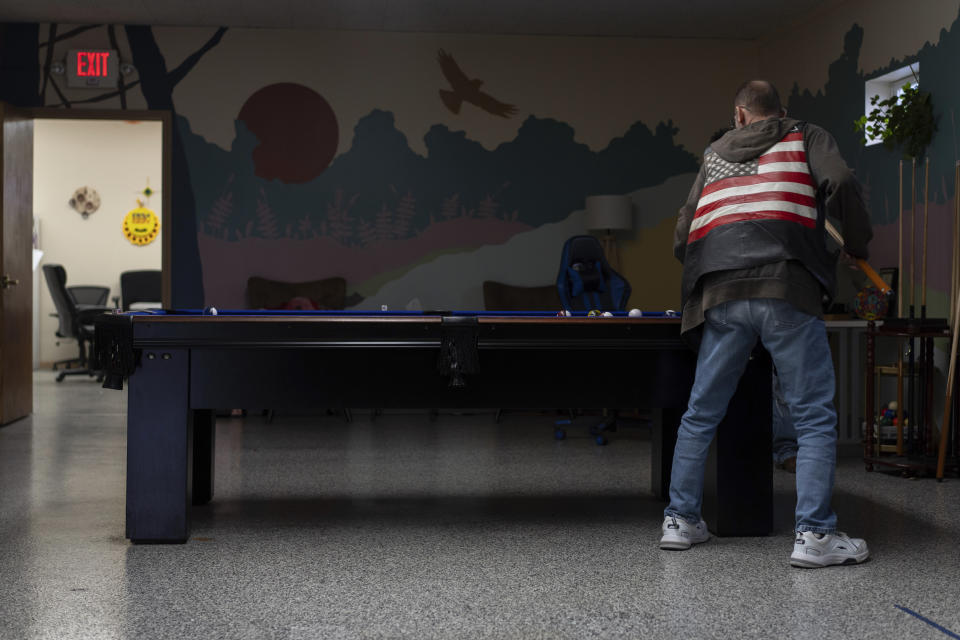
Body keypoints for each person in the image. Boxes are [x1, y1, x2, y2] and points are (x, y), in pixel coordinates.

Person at [659, 80, 872, 568]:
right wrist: (856, 240)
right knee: (813, 415)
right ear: (778, 111)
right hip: (785, 286)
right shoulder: (805, 135)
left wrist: (706, 260)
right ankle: (815, 535)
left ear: (739, 115)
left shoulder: (714, 153)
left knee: (700, 412)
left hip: (723, 293)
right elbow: (839, 179)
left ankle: (680, 520)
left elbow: (684, 228)